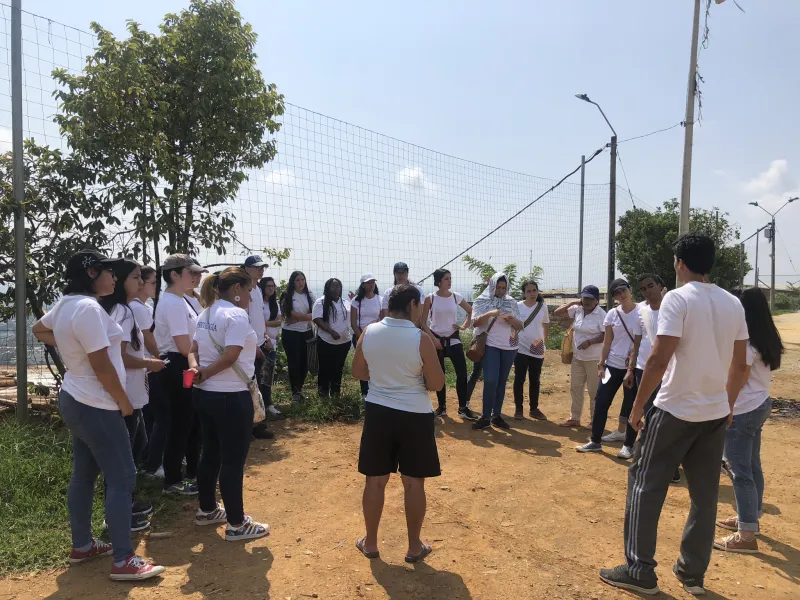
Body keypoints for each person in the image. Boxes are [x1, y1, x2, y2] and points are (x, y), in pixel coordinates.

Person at [600, 234, 749, 597]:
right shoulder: (733, 303)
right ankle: (692, 573)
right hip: (714, 414)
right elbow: (741, 365)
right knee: (705, 496)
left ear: (680, 263)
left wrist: (637, 407)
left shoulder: (677, 299)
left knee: (644, 483)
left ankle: (639, 570)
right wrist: (728, 405)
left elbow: (658, 359)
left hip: (675, 409)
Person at [32, 249, 165, 581]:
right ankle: (123, 560)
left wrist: (71, 345)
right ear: (91, 274)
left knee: (84, 474)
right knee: (122, 477)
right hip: (98, 403)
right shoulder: (89, 309)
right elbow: (103, 365)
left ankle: (82, 545)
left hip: (75, 397)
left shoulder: (67, 304)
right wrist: (123, 401)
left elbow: (38, 329)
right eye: (108, 271)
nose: (114, 277)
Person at [352, 283, 445, 562]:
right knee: (414, 483)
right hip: (415, 414)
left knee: (375, 480)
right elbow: (437, 383)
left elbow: (358, 372)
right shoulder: (420, 338)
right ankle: (414, 546)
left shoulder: (369, 332)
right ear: (413, 305)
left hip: (379, 411)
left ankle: (370, 543)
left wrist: (384, 378)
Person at [187, 267, 270, 541]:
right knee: (233, 461)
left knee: (210, 453)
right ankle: (236, 523)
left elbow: (193, 350)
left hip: (205, 395)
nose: (250, 296)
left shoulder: (206, 313)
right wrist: (206, 372)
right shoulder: (235, 315)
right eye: (248, 290)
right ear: (236, 289)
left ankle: (207, 509)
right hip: (231, 396)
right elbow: (231, 356)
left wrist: (197, 370)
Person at [714, 287, 783, 554]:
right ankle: (749, 519)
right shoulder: (765, 337)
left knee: (739, 471)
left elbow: (738, 380)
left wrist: (727, 407)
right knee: (752, 467)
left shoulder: (746, 343)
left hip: (742, 410)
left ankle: (746, 536)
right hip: (759, 404)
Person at [100, 259, 166, 531]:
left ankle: (127, 501)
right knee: (125, 453)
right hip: (126, 393)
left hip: (128, 392)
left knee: (133, 447)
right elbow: (120, 357)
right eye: (136, 277)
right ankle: (119, 513)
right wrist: (150, 363)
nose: (141, 282)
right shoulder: (124, 313)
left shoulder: (117, 309)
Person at [619, 275, 680, 481]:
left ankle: (669, 467)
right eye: (643, 288)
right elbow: (637, 343)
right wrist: (630, 369)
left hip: (669, 372)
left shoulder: (673, 310)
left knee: (665, 418)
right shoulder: (641, 312)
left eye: (651, 286)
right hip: (642, 371)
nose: (647, 291)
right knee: (648, 415)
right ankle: (643, 456)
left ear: (661, 286)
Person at [154, 254, 205, 496]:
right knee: (181, 424)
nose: (196, 277)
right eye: (190, 272)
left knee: (190, 422)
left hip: (184, 363)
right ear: (174, 275)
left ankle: (192, 473)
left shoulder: (180, 299)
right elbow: (184, 346)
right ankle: (173, 480)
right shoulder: (173, 303)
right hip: (178, 365)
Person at [577, 278, 641, 454]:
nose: (621, 295)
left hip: (633, 367)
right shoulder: (612, 314)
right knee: (601, 401)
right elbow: (607, 341)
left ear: (629, 289)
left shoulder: (641, 311)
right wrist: (601, 364)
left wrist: (631, 367)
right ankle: (595, 441)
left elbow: (638, 342)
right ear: (614, 297)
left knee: (631, 405)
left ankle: (628, 445)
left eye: (623, 290)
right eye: (616, 293)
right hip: (612, 365)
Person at [421, 269, 477, 420]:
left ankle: (463, 408)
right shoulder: (430, 298)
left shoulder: (456, 297)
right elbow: (423, 323)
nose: (449, 281)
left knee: (462, 373)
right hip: (437, 341)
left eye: (450, 278)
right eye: (446, 278)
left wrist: (464, 326)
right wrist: (433, 340)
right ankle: (442, 407)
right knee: (440, 375)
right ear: (439, 281)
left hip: (454, 340)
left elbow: (471, 311)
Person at [470, 273, 523, 431]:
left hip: (510, 347)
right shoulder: (482, 300)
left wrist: (512, 320)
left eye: (503, 288)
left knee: (501, 381)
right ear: (491, 285)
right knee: (490, 380)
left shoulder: (511, 302)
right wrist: (490, 313)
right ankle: (485, 416)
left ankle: (496, 416)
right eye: (498, 287)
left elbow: (520, 326)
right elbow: (475, 323)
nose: (500, 291)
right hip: (490, 345)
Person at [554, 285, 606, 429]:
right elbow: (557, 312)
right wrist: (572, 302)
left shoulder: (601, 314)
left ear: (597, 300)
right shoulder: (577, 310)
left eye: (590, 299)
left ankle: (594, 420)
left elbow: (606, 335)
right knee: (575, 388)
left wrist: (590, 342)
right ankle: (574, 418)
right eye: (585, 298)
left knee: (594, 391)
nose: (587, 301)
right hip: (578, 358)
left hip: (594, 359)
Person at [243, 255, 275, 440]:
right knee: (249, 387)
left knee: (258, 387)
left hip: (261, 343)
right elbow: (244, 320)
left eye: (262, 267)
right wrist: (253, 345)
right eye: (256, 267)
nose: (260, 270)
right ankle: (248, 428)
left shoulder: (257, 289)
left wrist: (265, 336)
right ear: (247, 269)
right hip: (250, 347)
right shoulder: (245, 288)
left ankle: (256, 424)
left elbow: (258, 317)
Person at [513, 280, 550, 421]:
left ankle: (534, 409)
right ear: (524, 293)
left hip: (537, 349)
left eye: (534, 290)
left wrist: (544, 343)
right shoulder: (517, 306)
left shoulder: (543, 308)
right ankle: (518, 409)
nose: (532, 293)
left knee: (535, 379)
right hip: (520, 348)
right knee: (519, 379)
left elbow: (545, 325)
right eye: (528, 291)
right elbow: (513, 326)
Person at [312, 278, 352, 397]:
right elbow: (317, 319)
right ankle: (323, 394)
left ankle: (335, 394)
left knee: (338, 369)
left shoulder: (345, 302)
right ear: (327, 288)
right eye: (333, 286)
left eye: (338, 286)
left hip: (344, 342)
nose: (336, 289)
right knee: (325, 369)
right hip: (326, 341)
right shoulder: (321, 302)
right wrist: (331, 331)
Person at [281, 271, 316, 402]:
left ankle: (299, 389)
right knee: (294, 363)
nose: (301, 282)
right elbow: (288, 314)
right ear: (293, 282)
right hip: (291, 334)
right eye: (298, 280)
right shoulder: (287, 295)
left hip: (307, 332)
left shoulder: (310, 295)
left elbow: (315, 313)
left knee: (305, 363)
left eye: (302, 279)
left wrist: (298, 318)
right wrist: (306, 317)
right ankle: (295, 393)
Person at [351, 274, 382, 398]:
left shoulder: (380, 300)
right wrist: (361, 338)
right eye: (368, 283)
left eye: (373, 282)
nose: (371, 285)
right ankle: (365, 392)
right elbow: (353, 323)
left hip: (376, 338)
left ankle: (376, 391)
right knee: (363, 365)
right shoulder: (356, 301)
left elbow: (382, 319)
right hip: (360, 336)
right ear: (363, 285)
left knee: (376, 365)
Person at [258, 276, 283, 415]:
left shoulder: (275, 303)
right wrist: (267, 324)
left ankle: (268, 404)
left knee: (268, 377)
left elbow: (279, 321)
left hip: (272, 343)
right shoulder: (258, 302)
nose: (271, 288)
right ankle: (260, 405)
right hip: (261, 343)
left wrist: (264, 323)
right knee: (259, 377)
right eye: (268, 286)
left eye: (273, 286)